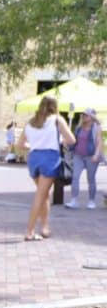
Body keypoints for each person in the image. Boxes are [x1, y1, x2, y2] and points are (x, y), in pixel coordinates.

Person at [19, 95, 75, 241]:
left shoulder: (31, 122)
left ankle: (45, 228)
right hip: (50, 158)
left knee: (44, 195)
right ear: (55, 106)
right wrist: (60, 141)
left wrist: (35, 145)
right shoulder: (57, 120)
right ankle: (30, 231)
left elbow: (20, 145)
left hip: (34, 158)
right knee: (40, 195)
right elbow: (71, 140)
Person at [66, 108, 103, 209]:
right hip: (78, 156)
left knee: (90, 179)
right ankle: (74, 200)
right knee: (75, 177)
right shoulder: (79, 127)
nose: (83, 117)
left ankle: (91, 201)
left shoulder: (96, 128)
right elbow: (74, 140)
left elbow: (99, 142)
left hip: (91, 156)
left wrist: (96, 155)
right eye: (83, 115)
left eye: (86, 115)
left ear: (91, 117)